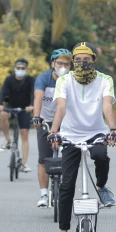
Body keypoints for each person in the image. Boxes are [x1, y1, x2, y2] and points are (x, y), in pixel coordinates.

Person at [48, 42, 116, 232]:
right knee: (67, 185)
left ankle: (102, 186)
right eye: (77, 60)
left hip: (96, 132)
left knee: (101, 156)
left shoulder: (105, 80)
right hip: (70, 135)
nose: (81, 63)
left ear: (94, 61)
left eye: (86, 59)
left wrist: (113, 129)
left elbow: (107, 105)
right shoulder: (64, 80)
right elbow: (61, 106)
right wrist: (54, 132)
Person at [31, 49, 72, 207]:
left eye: (66, 64)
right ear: (53, 63)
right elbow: (38, 98)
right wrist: (37, 116)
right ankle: (43, 194)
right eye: (59, 63)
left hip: (68, 122)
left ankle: (67, 190)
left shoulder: (72, 80)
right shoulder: (44, 78)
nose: (63, 66)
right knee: (43, 158)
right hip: (46, 121)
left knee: (70, 157)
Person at [0, 59, 35, 173]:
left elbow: (34, 93)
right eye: (18, 68)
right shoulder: (9, 79)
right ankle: (8, 140)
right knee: (3, 115)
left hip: (25, 109)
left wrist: (32, 105)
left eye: (23, 68)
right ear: (15, 69)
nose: (20, 70)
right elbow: (3, 92)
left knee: (24, 134)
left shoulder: (31, 80)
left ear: (26, 69)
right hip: (11, 107)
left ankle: (24, 163)